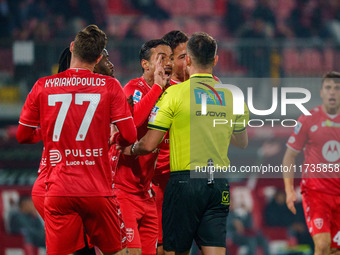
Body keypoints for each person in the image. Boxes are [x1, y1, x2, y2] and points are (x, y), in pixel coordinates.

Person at [118, 32, 249, 255]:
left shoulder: (175, 93)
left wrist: (130, 149)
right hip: (165, 184)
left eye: (178, 57)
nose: (172, 62)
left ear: (189, 59)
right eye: (170, 57)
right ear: (215, 60)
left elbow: (148, 143)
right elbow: (241, 141)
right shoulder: (227, 93)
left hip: (179, 183)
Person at [17, 24, 137, 255]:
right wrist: (112, 137)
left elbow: (23, 135)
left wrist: (50, 132)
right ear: (99, 57)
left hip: (58, 190)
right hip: (97, 191)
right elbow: (131, 136)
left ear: (72, 47)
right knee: (119, 252)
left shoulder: (42, 86)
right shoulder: (110, 86)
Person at [109, 39, 172, 255]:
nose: (168, 63)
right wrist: (156, 88)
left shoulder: (172, 91)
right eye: (161, 57)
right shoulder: (133, 88)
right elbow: (131, 124)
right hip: (123, 190)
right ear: (145, 65)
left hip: (148, 192)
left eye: (170, 57)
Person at [283, 71, 340, 255]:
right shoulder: (308, 119)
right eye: (328, 88)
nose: (332, 92)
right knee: (322, 245)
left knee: (334, 249)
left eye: (337, 88)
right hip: (316, 193)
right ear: (322, 92)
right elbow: (289, 156)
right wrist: (289, 190)